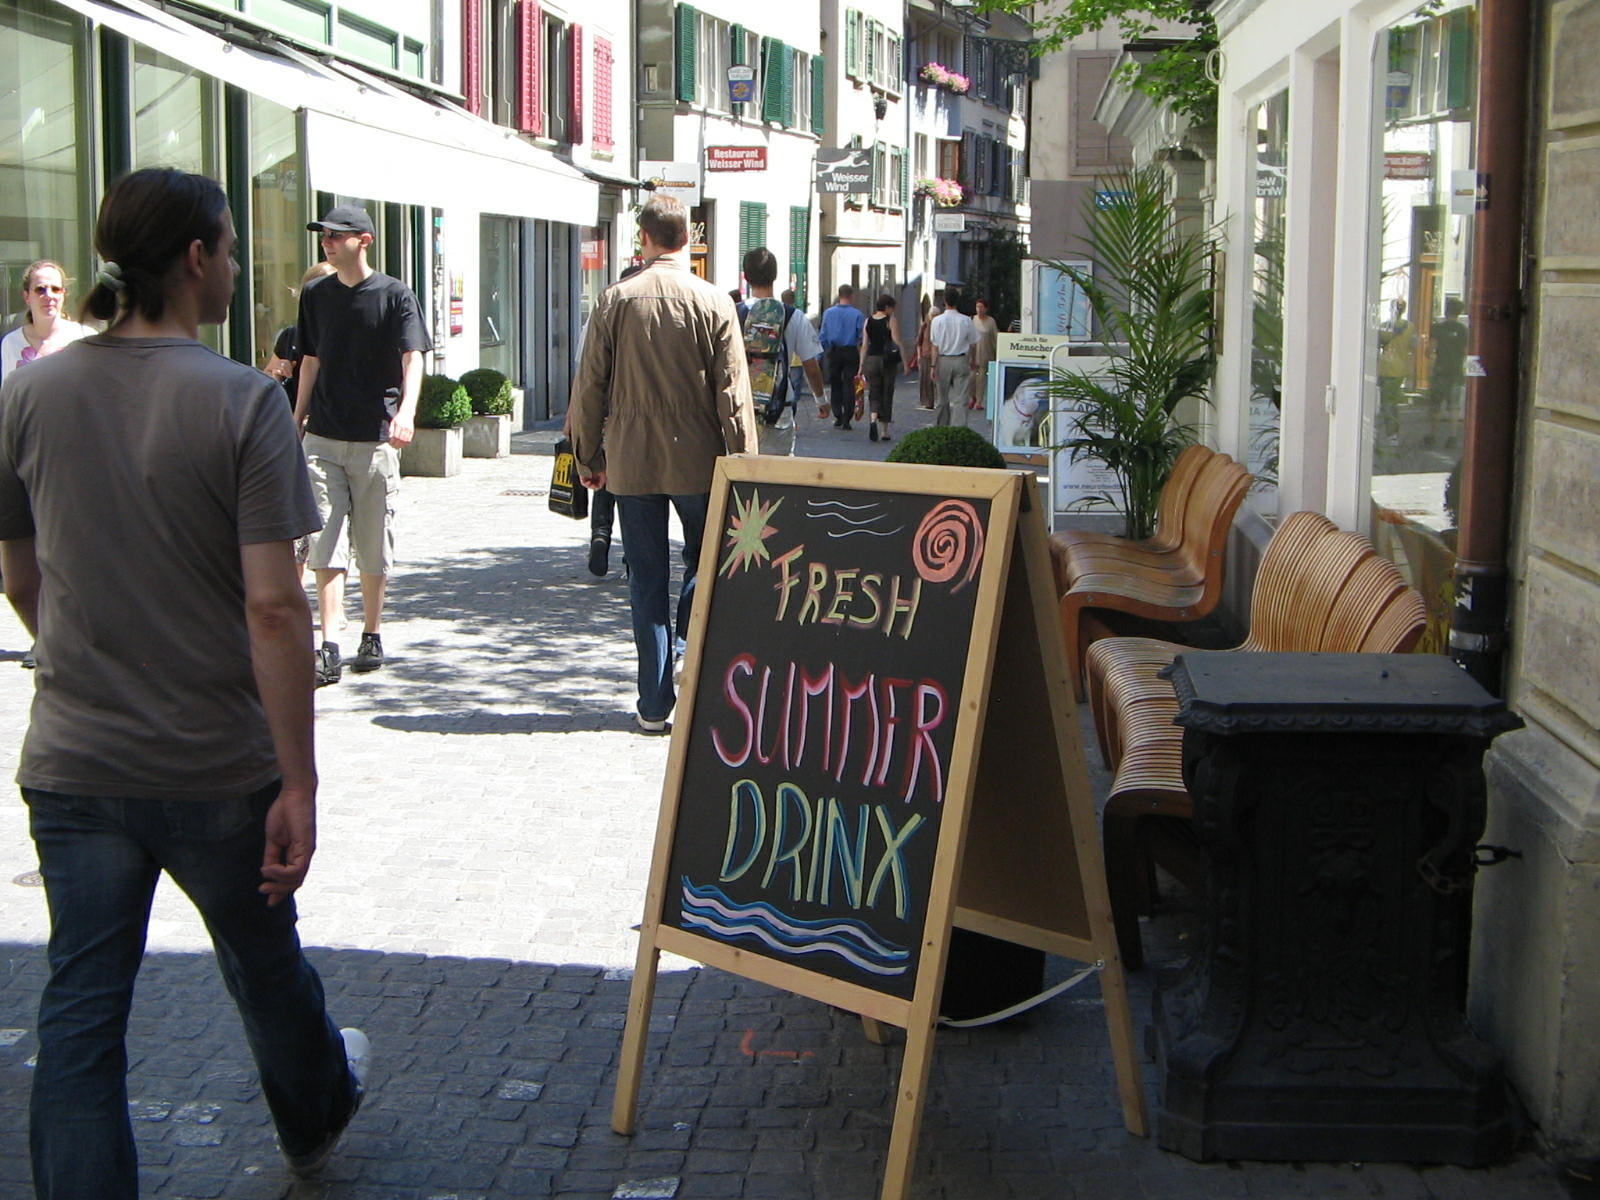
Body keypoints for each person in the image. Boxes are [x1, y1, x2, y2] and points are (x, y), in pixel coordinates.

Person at [0, 167, 367, 1199]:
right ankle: (314, 1118)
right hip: (214, 762)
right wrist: (298, 778)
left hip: (75, 760)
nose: (240, 266)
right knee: (263, 965)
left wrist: (83, 650)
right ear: (196, 259)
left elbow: (19, 573)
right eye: (233, 248)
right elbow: (275, 608)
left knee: (81, 1013)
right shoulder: (243, 401)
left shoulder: (30, 393)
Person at [567, 194, 757, 732]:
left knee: (646, 578)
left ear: (644, 239)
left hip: (632, 460)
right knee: (704, 560)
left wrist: (587, 454)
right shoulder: (714, 301)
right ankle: (682, 645)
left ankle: (653, 703)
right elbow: (734, 393)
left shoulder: (615, 299)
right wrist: (746, 462)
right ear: (689, 238)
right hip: (699, 458)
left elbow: (590, 385)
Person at [294, 205, 432, 686]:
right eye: (324, 236)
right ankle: (329, 644)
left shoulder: (395, 295)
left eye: (336, 236)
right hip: (324, 437)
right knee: (324, 542)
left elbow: (413, 357)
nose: (327, 243)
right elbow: (309, 360)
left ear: (364, 240)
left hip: (375, 438)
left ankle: (371, 632)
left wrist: (406, 412)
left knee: (374, 541)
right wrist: (296, 420)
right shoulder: (316, 295)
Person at [742, 248, 826, 457]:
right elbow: (811, 366)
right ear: (775, 275)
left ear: (746, 277)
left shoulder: (734, 312)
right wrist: (821, 400)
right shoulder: (794, 316)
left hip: (742, 409)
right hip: (779, 409)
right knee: (777, 472)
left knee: (740, 470)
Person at [1, 260, 90, 380]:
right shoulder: (11, 342)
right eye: (40, 289)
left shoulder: (85, 337)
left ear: (63, 294)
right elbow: (8, 390)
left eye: (55, 289)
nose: (49, 295)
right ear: (26, 296)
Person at [929, 286, 978, 426]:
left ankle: (942, 427)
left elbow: (935, 346)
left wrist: (933, 365)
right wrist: (972, 360)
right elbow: (973, 344)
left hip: (943, 359)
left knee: (942, 398)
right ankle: (959, 428)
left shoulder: (937, 321)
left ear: (945, 301)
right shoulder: (966, 320)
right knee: (961, 398)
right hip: (961, 359)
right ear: (958, 301)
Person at [819, 284, 866, 430]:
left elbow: (823, 335)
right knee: (849, 384)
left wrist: (820, 354)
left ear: (839, 295)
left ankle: (838, 414)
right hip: (850, 351)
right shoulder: (857, 314)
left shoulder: (828, 313)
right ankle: (847, 418)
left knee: (835, 383)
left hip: (834, 351)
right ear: (851, 296)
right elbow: (861, 337)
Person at [862, 295, 907, 444]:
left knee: (874, 392)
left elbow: (864, 345)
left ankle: (872, 419)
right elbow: (897, 341)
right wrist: (905, 362)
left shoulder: (868, 320)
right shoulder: (891, 320)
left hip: (872, 360)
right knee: (887, 393)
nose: (893, 311)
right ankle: (884, 430)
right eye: (892, 308)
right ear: (887, 307)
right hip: (887, 361)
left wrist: (861, 365)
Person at [1427, 297, 1468, 445]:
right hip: (1456, 371)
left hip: (1440, 370)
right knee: (1454, 406)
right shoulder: (1463, 330)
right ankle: (1453, 437)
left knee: (1436, 405)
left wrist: (1430, 365)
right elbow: (1466, 351)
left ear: (1446, 310)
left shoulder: (1438, 328)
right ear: (1459, 312)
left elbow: (1431, 350)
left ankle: (1432, 435)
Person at [971, 297, 1000, 413]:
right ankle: (972, 397)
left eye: (981, 307)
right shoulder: (972, 320)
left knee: (981, 378)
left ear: (986, 309)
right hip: (973, 354)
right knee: (971, 378)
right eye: (977, 307)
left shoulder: (991, 321)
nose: (979, 309)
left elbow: (996, 337)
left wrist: (998, 352)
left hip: (986, 353)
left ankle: (979, 401)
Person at [911, 294, 937, 411]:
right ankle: (926, 401)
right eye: (933, 315)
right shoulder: (925, 326)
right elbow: (919, 342)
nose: (934, 318)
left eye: (936, 315)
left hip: (937, 356)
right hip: (925, 355)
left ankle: (933, 400)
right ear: (930, 316)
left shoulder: (940, 326)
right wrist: (919, 356)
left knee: (933, 381)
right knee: (925, 379)